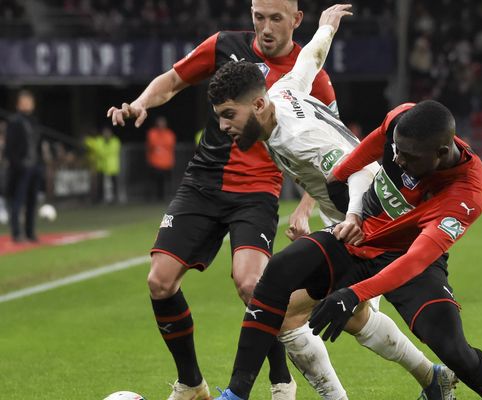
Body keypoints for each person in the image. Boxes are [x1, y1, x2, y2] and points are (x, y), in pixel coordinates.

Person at [209, 6, 457, 400]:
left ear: (256, 106)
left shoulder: (299, 138)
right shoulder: (281, 93)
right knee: (354, 317)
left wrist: (354, 216)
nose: (224, 128)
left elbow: (354, 171)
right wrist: (326, 27)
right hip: (361, 218)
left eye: (228, 116)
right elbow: (309, 60)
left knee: (288, 313)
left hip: (372, 222)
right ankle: (433, 378)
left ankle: (410, 381)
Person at [106, 1, 337, 399]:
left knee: (253, 285)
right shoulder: (224, 45)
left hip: (258, 190)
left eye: (275, 18)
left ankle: (281, 381)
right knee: (159, 282)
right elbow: (173, 79)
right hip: (202, 182)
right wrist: (142, 102)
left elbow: (326, 148)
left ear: (297, 20)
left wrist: (305, 206)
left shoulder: (312, 75)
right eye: (258, 17)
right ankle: (191, 384)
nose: (265, 27)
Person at [216, 100, 482, 400]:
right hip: (359, 239)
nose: (398, 159)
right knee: (280, 269)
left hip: (410, 260)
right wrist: (340, 175)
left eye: (409, 156)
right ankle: (236, 394)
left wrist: (353, 294)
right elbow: (374, 143)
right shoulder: (402, 121)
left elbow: (415, 260)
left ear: (441, 153)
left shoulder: (466, 195)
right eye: (397, 150)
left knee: (455, 352)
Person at [4, 90, 43, 243]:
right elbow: (10, 148)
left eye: (30, 101)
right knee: (17, 202)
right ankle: (16, 233)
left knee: (32, 202)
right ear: (18, 104)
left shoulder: (33, 122)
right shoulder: (14, 122)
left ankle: (30, 233)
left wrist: (40, 165)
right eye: (25, 101)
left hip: (34, 167)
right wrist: (19, 165)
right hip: (20, 169)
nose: (28, 104)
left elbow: (36, 145)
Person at [146, 116, 176, 201]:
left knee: (166, 182)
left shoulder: (170, 134)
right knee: (155, 182)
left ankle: (166, 197)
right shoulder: (152, 133)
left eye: (162, 122)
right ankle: (154, 198)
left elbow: (170, 145)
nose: (161, 125)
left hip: (167, 163)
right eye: (159, 122)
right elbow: (151, 145)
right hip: (155, 163)